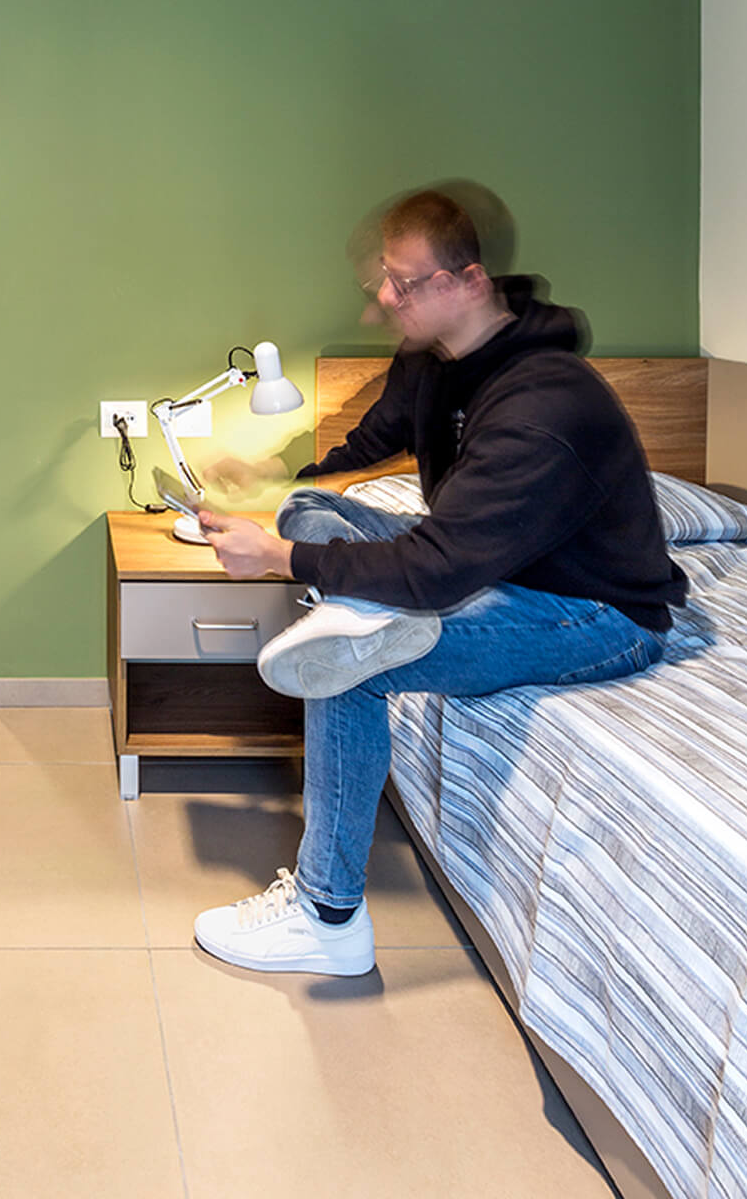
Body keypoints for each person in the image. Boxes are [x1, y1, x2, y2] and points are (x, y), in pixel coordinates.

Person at [191, 188, 685, 978]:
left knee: (343, 665)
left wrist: (281, 562)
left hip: (588, 612)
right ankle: (362, 609)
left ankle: (327, 918)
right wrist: (277, 471)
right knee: (313, 508)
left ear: (468, 280)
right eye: (381, 279)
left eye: (403, 282)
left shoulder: (545, 406)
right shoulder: (435, 357)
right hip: (484, 563)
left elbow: (436, 566)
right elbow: (378, 436)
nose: (384, 300)